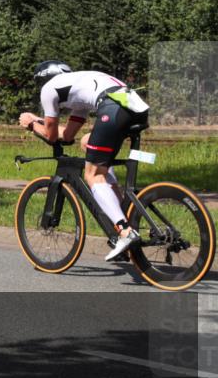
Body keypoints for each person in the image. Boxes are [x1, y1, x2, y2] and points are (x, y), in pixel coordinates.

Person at [18, 61, 149, 261]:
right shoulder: (78, 93)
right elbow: (68, 135)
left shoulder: (48, 88)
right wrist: (40, 123)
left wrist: (31, 124)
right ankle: (121, 209)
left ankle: (124, 232)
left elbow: (52, 137)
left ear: (43, 78)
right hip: (131, 105)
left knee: (92, 175)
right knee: (88, 143)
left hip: (113, 107)